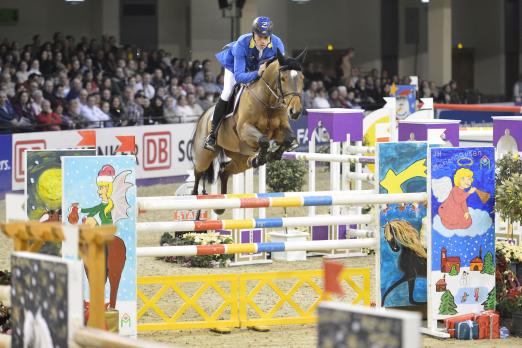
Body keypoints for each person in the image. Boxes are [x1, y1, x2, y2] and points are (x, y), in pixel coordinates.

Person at [204, 16, 285, 151]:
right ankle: (212, 135)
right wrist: (257, 74)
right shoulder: (242, 43)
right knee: (227, 92)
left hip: (258, 68)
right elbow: (240, 77)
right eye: (260, 37)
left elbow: (280, 69)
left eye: (266, 37)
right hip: (236, 67)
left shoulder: (278, 44)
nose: (263, 41)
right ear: (254, 34)